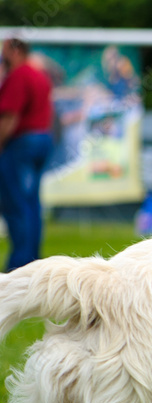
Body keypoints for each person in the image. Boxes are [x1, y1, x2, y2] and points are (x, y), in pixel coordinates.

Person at [0, 37, 54, 271]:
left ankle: (19, 265)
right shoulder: (39, 75)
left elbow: (9, 116)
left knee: (16, 203)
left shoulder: (19, 75)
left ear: (16, 51)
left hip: (22, 142)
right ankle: (32, 261)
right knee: (31, 204)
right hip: (43, 138)